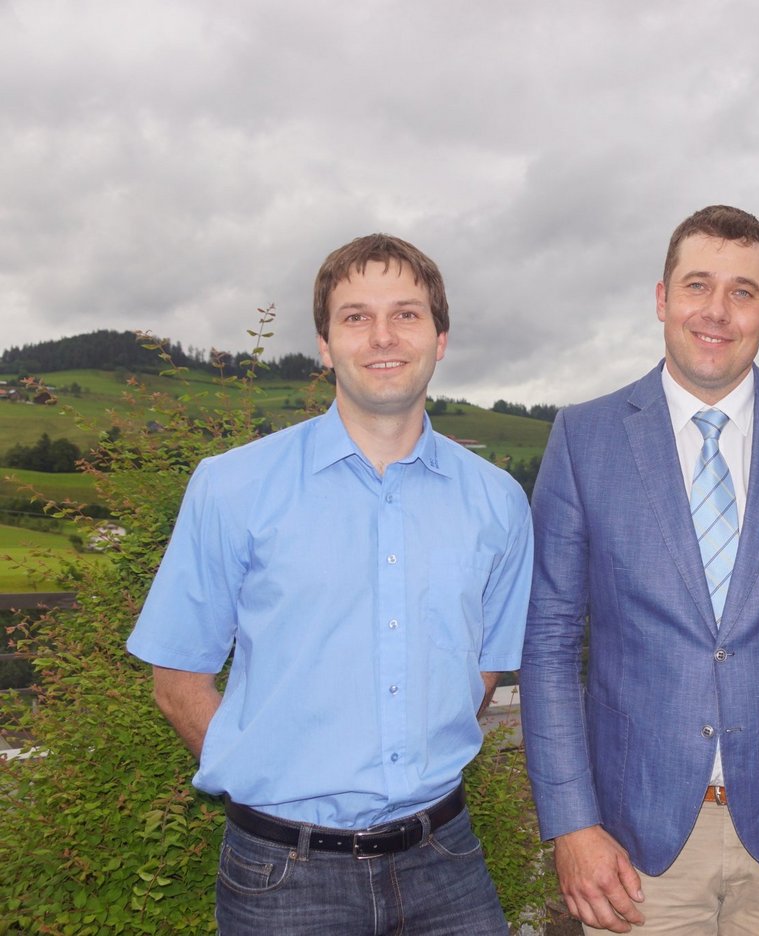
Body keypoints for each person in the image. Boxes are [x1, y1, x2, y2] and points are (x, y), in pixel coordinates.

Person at [519, 205, 759, 934]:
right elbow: (547, 647)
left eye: (742, 292)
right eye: (698, 285)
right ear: (662, 298)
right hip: (632, 844)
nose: (717, 311)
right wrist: (571, 824)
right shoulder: (584, 438)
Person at [127, 234, 532, 935]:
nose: (382, 336)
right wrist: (263, 778)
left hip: (447, 860)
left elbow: (487, 666)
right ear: (323, 345)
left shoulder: (499, 503)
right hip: (282, 878)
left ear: (441, 339)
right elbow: (178, 682)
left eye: (406, 314)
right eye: (355, 317)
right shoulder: (231, 488)